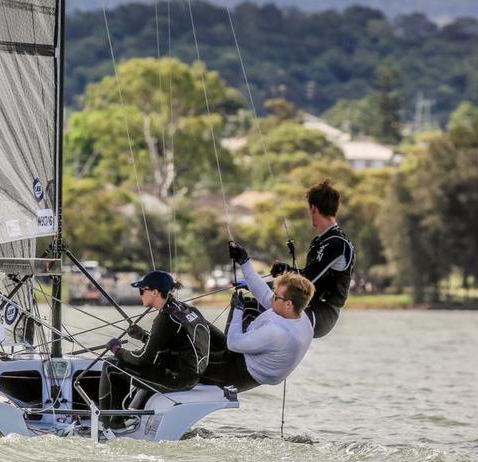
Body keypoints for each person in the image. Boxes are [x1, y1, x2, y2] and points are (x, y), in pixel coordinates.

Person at [98, 270, 212, 427]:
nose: (140, 295)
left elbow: (142, 359)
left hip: (176, 380)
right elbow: (170, 344)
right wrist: (142, 336)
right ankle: (124, 416)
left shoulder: (164, 319)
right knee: (137, 366)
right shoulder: (185, 310)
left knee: (110, 365)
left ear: (155, 292)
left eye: (142, 290)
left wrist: (117, 350)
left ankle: (107, 424)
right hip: (190, 376)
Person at [201, 242, 315, 392]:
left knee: (190, 363)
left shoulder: (277, 332)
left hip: (240, 373)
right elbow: (263, 293)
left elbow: (233, 344)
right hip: (248, 356)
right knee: (198, 325)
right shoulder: (298, 314)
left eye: (276, 296)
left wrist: (238, 310)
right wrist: (245, 261)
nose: (271, 297)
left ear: (288, 304)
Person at [271, 179, 355, 338]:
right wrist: (286, 269)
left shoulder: (337, 244)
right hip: (308, 304)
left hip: (324, 312)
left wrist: (261, 284)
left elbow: (307, 279)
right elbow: (308, 274)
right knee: (255, 306)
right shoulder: (320, 241)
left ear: (313, 208)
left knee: (265, 310)